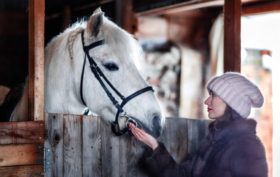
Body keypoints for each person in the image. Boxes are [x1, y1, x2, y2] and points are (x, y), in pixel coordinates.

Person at [129, 72, 268, 177]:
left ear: (232, 103)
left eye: (213, 95)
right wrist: (154, 145)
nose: (207, 101)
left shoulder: (248, 147)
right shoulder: (213, 141)